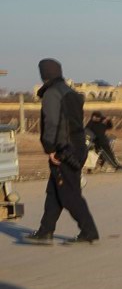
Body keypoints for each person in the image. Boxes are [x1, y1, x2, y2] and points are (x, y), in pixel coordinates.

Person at [25, 58, 99, 245]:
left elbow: (51, 123)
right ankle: (45, 231)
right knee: (54, 191)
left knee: (69, 194)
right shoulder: (70, 92)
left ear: (44, 74)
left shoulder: (52, 94)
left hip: (64, 149)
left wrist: (51, 148)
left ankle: (89, 231)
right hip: (77, 146)